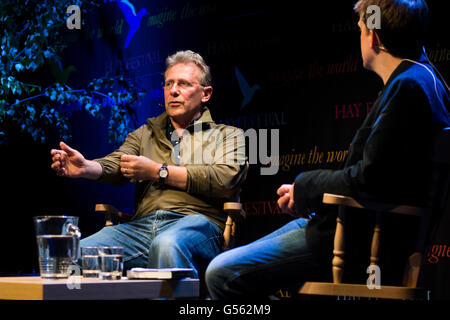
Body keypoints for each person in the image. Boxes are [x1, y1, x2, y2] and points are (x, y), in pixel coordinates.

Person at [205, 0, 450, 299]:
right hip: (349, 228)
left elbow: (368, 182)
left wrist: (304, 186)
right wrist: (305, 193)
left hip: (359, 240)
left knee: (222, 273)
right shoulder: (423, 79)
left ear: (373, 36)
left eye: (361, 29)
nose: (360, 37)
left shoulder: (409, 87)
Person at [50, 50, 247, 278]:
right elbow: (118, 163)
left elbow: (226, 179)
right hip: (141, 228)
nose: (173, 91)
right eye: (168, 84)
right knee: (69, 257)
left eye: (183, 84)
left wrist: (157, 171)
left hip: (197, 225)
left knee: (166, 244)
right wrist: (86, 167)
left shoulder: (228, 135)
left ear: (206, 93)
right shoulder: (145, 133)